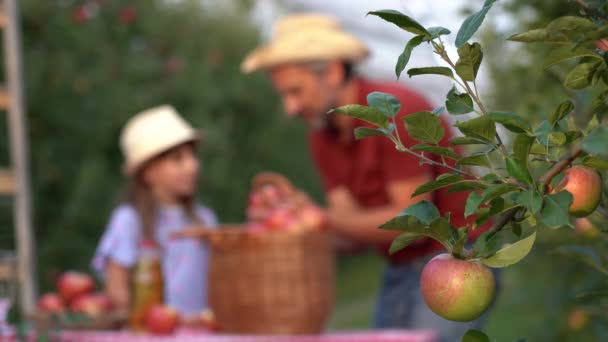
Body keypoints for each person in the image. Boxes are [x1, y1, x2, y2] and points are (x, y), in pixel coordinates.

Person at [242, 14, 493, 341]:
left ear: (332, 72)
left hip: (458, 257)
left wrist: (319, 219)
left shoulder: (395, 112)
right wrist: (292, 229)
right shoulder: (322, 136)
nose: (289, 108)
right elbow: (351, 232)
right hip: (401, 266)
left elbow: (414, 224)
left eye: (295, 91)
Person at [91, 105, 218, 319]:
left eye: (193, 156)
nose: (192, 166)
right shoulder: (129, 221)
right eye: (178, 159)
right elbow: (117, 288)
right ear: (148, 172)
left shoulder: (205, 220)